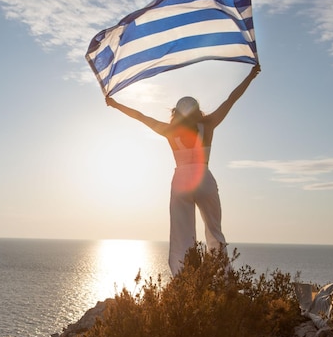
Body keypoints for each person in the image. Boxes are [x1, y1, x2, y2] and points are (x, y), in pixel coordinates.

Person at [105, 64, 261, 275]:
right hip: (203, 177)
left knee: (182, 234)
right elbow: (231, 99)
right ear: (197, 110)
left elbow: (140, 116)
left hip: (180, 181)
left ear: (176, 113)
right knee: (214, 231)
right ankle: (223, 278)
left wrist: (115, 104)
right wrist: (250, 76)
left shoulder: (169, 130)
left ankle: (184, 278)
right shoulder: (209, 124)